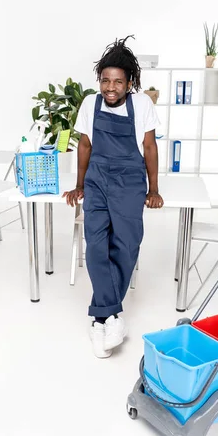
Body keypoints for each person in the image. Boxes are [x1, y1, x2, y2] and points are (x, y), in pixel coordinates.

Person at [63, 36, 164, 358]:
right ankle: (110, 316)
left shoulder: (143, 104)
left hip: (130, 181)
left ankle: (101, 317)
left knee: (127, 244)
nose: (110, 87)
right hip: (97, 180)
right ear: (99, 81)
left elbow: (149, 147)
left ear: (129, 83)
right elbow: (85, 146)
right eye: (105, 80)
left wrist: (154, 189)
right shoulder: (90, 104)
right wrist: (79, 184)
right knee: (96, 244)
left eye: (118, 81)